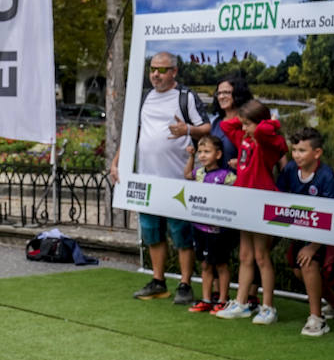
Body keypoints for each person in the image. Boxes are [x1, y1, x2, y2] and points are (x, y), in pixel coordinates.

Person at [112, 52, 210, 304]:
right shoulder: (144, 97)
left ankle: (185, 284)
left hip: (177, 180)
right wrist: (116, 163)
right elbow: (132, 133)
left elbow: (207, 128)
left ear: (174, 72)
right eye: (153, 69)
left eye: (162, 70)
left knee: (181, 235)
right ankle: (158, 281)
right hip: (146, 181)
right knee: (151, 233)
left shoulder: (185, 97)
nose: (156, 74)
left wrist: (187, 129)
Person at [215, 100, 287, 323]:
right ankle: (241, 302)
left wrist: (269, 123)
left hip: (262, 203)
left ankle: (268, 307)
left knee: (261, 256)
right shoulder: (244, 138)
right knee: (245, 255)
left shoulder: (268, 142)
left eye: (248, 124)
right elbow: (228, 127)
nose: (244, 128)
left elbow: (269, 135)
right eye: (243, 124)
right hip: (243, 202)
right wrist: (245, 120)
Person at [276, 128, 334, 336]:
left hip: (323, 235)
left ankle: (317, 319)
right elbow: (280, 196)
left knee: (308, 264)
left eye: (302, 150)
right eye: (294, 150)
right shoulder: (290, 169)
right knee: (298, 270)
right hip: (300, 231)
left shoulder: (326, 176)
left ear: (317, 153)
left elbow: (332, 215)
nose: (296, 155)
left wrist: (313, 246)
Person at [183, 135, 236, 312]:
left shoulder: (226, 176)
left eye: (207, 151)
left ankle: (222, 299)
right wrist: (190, 157)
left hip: (219, 230)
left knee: (221, 264)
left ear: (218, 154)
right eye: (200, 152)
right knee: (205, 264)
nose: (203, 155)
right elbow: (186, 175)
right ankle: (206, 299)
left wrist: (239, 169)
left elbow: (239, 191)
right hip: (199, 227)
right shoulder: (198, 173)